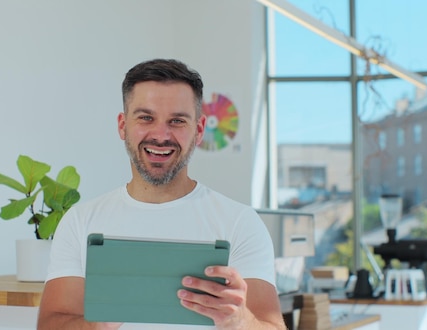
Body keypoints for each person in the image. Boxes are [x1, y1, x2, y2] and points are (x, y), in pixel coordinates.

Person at [37, 59, 286, 330]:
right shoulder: (79, 222)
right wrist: (102, 322)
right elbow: (51, 324)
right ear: (123, 126)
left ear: (199, 130)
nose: (160, 135)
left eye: (177, 121)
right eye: (146, 118)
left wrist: (239, 320)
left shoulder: (240, 223)